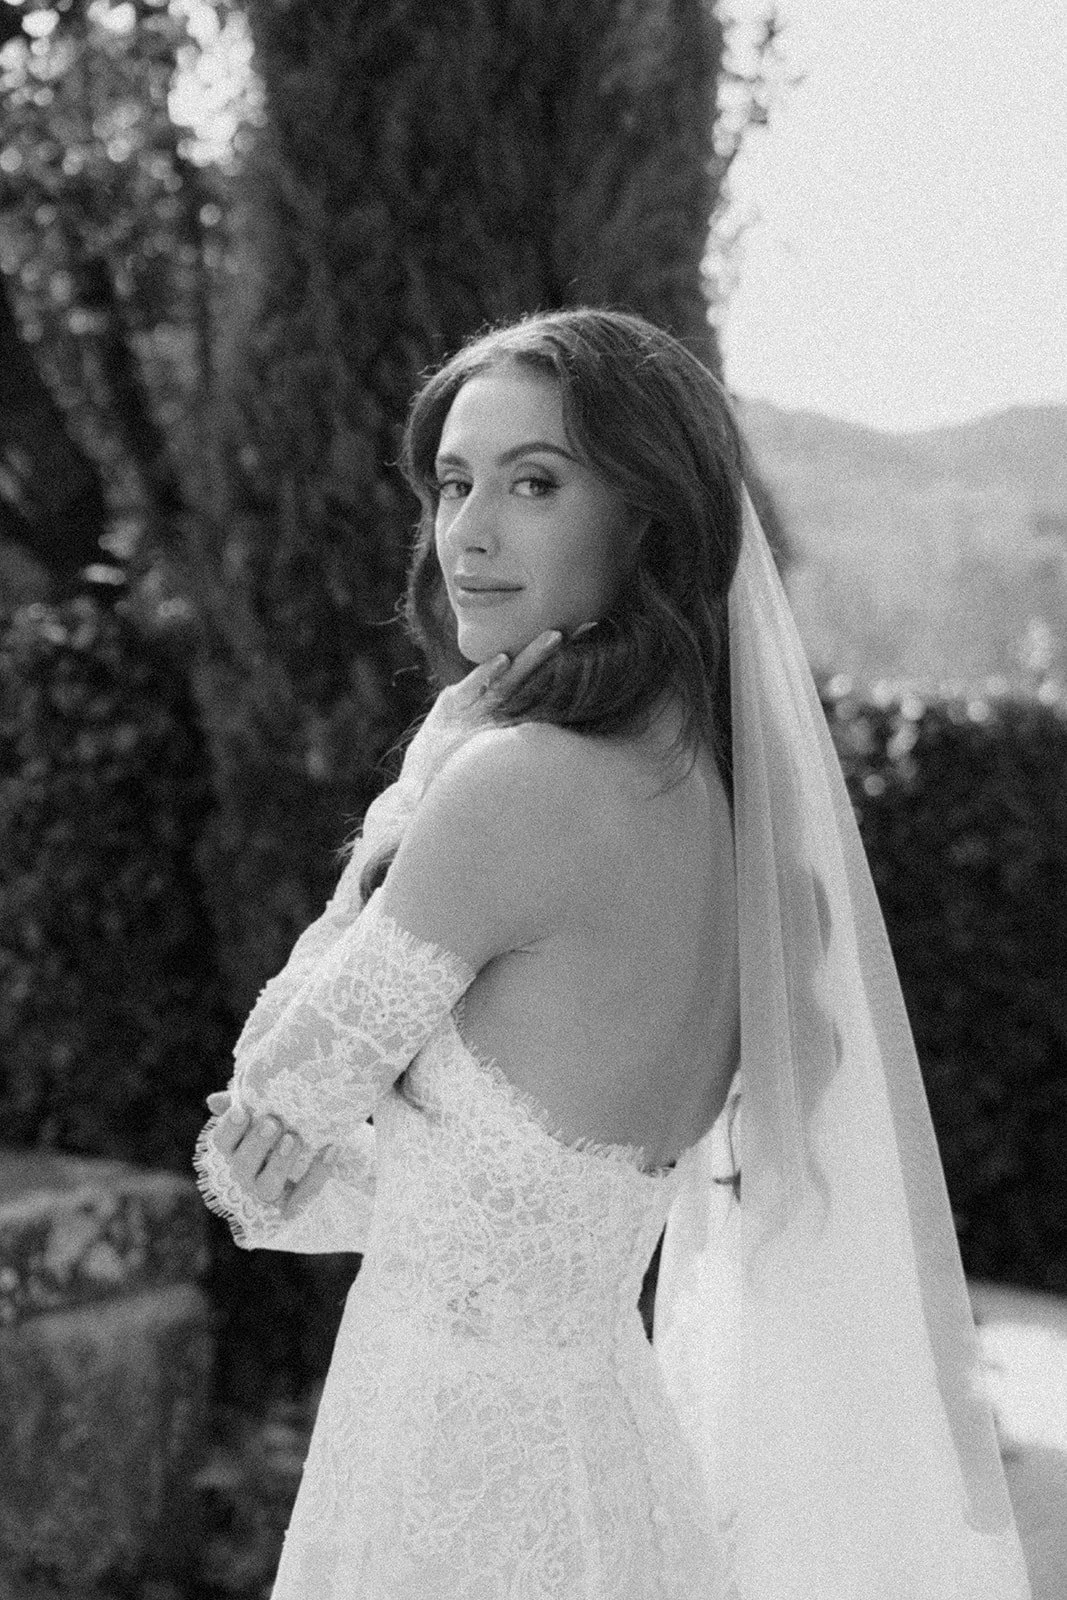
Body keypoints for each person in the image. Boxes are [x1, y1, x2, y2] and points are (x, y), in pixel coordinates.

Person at [195, 309, 1031, 1599]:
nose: (467, 532)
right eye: (454, 482)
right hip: (615, 1468)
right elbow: (498, 1195)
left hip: (447, 1489)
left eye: (534, 482)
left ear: (646, 517)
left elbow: (266, 1106)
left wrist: (415, 781)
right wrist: (306, 1177)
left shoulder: (510, 787)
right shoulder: (729, 825)